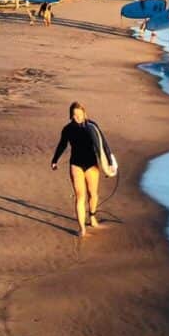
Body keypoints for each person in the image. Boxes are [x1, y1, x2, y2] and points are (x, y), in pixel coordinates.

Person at [51, 102, 115, 237]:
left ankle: (92, 217)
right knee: (80, 196)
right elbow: (62, 145)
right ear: (70, 115)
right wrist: (55, 160)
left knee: (93, 194)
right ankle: (82, 229)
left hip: (91, 164)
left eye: (79, 115)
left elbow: (103, 144)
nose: (77, 117)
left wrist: (109, 163)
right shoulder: (67, 129)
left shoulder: (92, 126)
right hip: (76, 164)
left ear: (84, 113)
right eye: (74, 115)